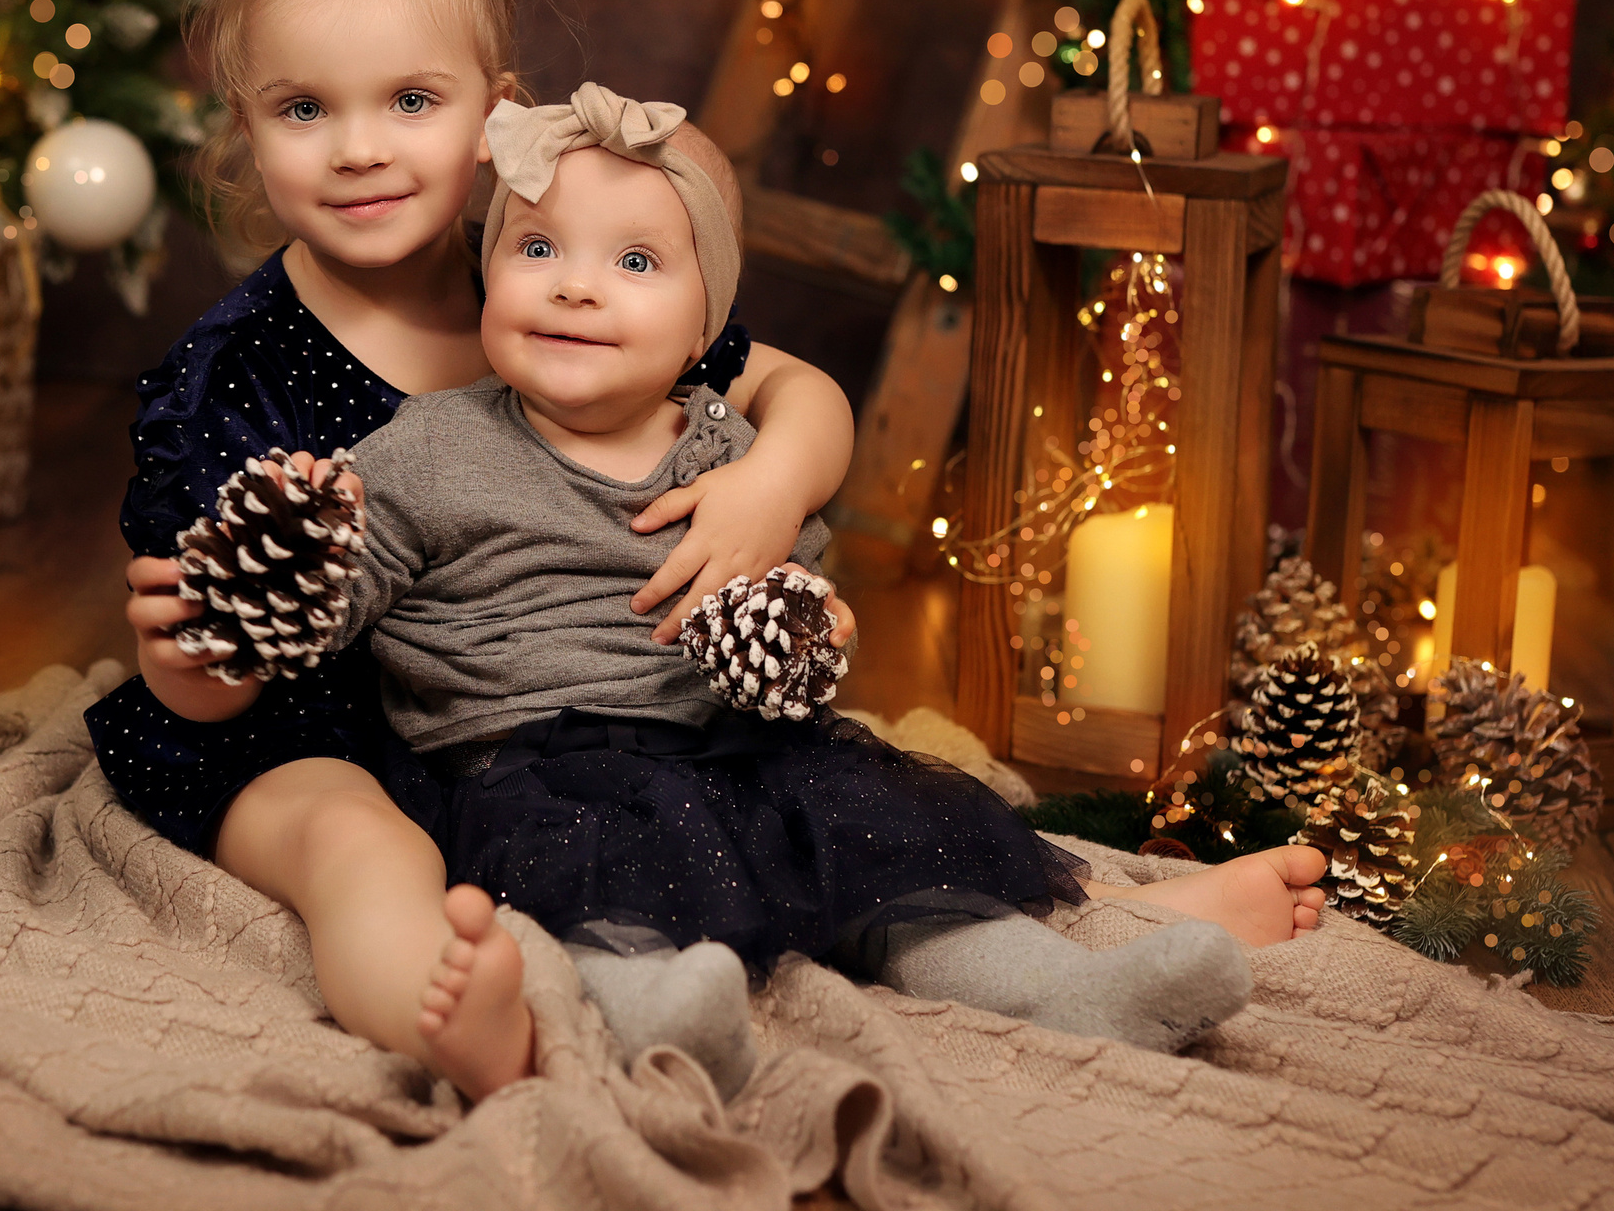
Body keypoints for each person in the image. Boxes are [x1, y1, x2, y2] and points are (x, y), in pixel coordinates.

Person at [304, 85, 1329, 1092]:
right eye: (536, 249)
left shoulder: (734, 458)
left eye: (635, 262)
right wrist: (296, 548)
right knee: (596, 881)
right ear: (488, 274)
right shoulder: (431, 446)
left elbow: (791, 614)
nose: (575, 287)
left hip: (738, 750)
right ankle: (656, 1012)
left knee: (894, 852)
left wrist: (809, 636)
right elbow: (336, 599)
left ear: (705, 327)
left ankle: (1062, 989)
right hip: (541, 769)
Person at [87, 0, 860, 1102]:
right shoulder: (234, 377)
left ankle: (1055, 936)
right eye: (302, 109)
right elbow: (225, 663)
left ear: (499, 120)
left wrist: (775, 483)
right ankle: (453, 1020)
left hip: (537, 713)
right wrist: (193, 665)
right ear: (245, 127)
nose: (359, 148)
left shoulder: (548, 280)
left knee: (798, 778)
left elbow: (797, 393)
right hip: (309, 732)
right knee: (357, 850)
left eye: (411, 101)